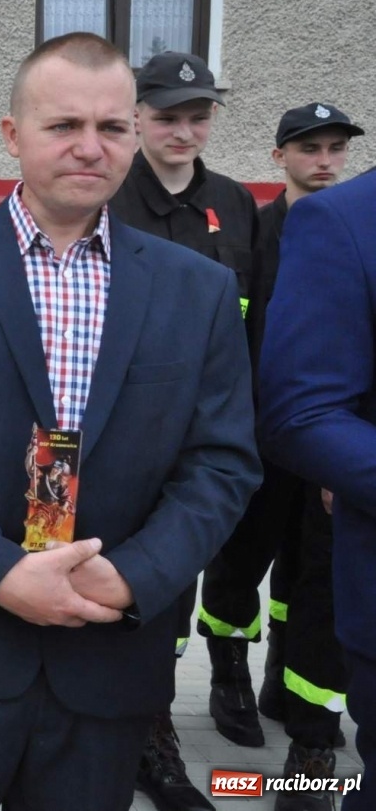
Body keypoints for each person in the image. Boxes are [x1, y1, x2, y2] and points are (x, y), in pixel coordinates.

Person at [0, 32, 259, 811]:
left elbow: (223, 462)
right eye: (63, 125)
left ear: (134, 135)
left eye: (111, 128)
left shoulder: (198, 289)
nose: (89, 147)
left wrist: (134, 575)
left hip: (109, 654)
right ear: (12, 136)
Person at [107, 49, 260, 811]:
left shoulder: (235, 207)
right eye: (167, 114)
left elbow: (252, 331)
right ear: (136, 117)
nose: (184, 129)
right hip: (117, 440)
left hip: (199, 441)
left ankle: (151, 727)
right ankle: (129, 731)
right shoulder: (107, 199)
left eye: (199, 115)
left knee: (171, 590)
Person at [228, 104, 363, 809]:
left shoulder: (346, 224)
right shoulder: (253, 229)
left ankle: (307, 726)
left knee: (316, 578)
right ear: (279, 154)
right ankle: (230, 676)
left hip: (331, 442)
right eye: (310, 148)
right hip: (258, 431)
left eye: (336, 148)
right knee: (243, 556)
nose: (326, 161)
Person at [260, 155, 376, 811]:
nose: (323, 157)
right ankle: (309, 749)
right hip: (295, 460)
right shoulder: (334, 221)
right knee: (299, 591)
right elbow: (301, 408)